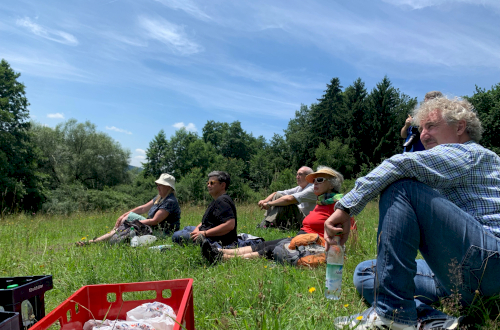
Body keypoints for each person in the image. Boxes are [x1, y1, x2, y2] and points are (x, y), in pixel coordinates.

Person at [327, 97, 500, 330]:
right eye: (420, 129)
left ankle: (393, 316)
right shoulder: (446, 169)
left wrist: (345, 207)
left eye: (431, 126)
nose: (423, 135)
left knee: (401, 186)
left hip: (489, 263)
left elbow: (401, 164)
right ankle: (437, 322)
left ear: (459, 127)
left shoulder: (470, 154)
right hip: (459, 276)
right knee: (367, 272)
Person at [218, 166, 354, 261]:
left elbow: (351, 230)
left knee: (272, 249)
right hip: (302, 235)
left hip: (312, 241)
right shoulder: (322, 202)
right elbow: (280, 193)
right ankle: (221, 252)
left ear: (331, 184)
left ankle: (225, 259)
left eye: (319, 180)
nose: (314, 184)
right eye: (313, 180)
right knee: (266, 244)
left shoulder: (338, 203)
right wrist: (267, 200)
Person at [76, 173, 181, 246]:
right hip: (153, 227)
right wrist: (124, 215)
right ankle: (108, 237)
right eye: (157, 185)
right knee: (127, 218)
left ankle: (97, 241)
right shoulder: (160, 197)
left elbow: (154, 221)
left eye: (160, 185)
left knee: (128, 223)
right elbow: (143, 208)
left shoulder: (170, 201)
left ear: (168, 187)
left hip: (162, 232)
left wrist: (133, 222)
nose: (158, 187)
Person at [171, 171, 237, 248]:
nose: (209, 185)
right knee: (187, 228)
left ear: (222, 185)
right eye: (208, 183)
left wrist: (204, 233)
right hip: (207, 232)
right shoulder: (216, 200)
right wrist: (197, 229)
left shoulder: (222, 201)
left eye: (212, 183)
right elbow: (205, 222)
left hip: (217, 240)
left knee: (176, 236)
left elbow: (230, 225)